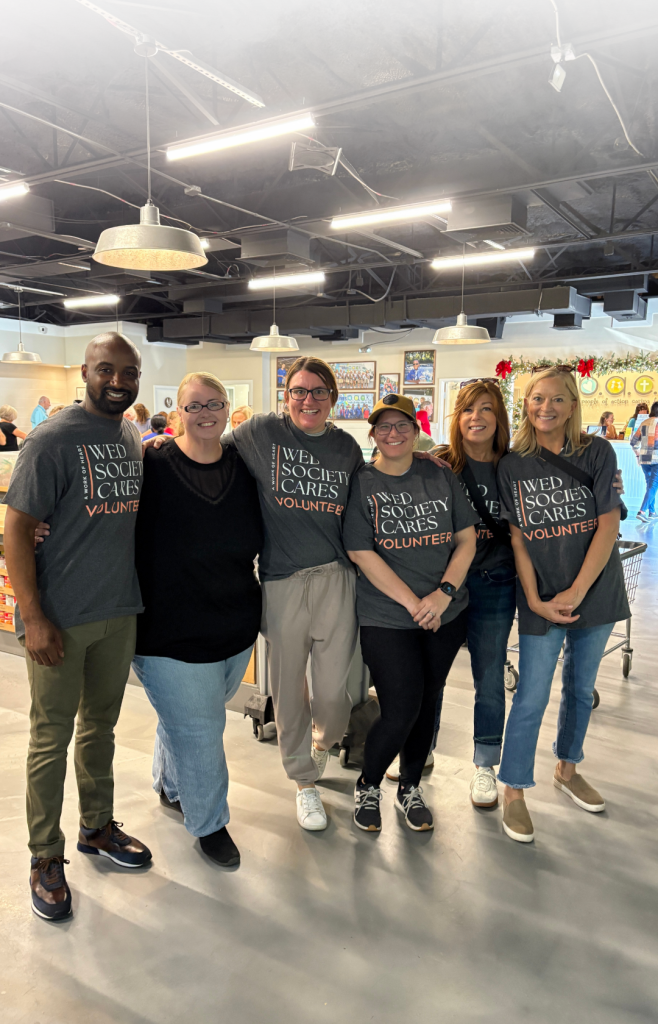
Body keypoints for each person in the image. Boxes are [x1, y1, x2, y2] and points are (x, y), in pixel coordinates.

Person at [152, 357, 365, 831]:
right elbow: (207, 446)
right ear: (286, 397)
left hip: (336, 578)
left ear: (332, 398)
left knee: (336, 695)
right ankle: (303, 782)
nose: (308, 400)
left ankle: (323, 741)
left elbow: (366, 504)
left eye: (319, 391)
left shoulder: (346, 448)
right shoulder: (261, 432)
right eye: (299, 391)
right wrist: (164, 445)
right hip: (282, 581)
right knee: (288, 690)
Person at [4, 331, 152, 922]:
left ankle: (96, 826)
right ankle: (45, 855)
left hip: (118, 610)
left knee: (100, 729)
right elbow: (17, 530)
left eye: (128, 372)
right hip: (60, 618)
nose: (117, 381)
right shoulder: (51, 440)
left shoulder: (130, 434)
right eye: (105, 370)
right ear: (85, 373)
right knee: (50, 739)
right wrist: (33, 616)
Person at [132, 373, 263, 868]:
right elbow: (98, 507)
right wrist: (41, 525)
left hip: (235, 624)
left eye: (214, 404)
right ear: (178, 412)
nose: (205, 413)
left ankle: (170, 783)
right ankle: (210, 824)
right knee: (202, 729)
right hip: (167, 629)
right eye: (194, 405)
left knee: (191, 717)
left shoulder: (245, 465)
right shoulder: (149, 464)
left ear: (228, 409)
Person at [496, 368, 628, 843]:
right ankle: (514, 789)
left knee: (580, 687)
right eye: (537, 398)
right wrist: (534, 598)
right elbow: (518, 539)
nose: (545, 407)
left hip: (596, 590)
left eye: (556, 399)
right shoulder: (512, 464)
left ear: (573, 404)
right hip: (541, 595)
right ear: (526, 405)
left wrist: (576, 592)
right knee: (531, 694)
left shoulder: (597, 452)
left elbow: (608, 525)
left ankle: (568, 769)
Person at [343, 394, 478, 832]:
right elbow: (361, 552)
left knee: (428, 701)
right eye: (384, 426)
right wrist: (415, 604)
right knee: (401, 707)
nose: (394, 433)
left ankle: (410, 786)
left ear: (416, 431)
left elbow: (466, 539)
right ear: (373, 434)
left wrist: (442, 595)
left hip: (445, 613)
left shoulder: (439, 474)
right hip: (386, 615)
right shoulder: (362, 482)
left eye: (403, 425)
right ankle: (368, 784)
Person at [416, 380, 517, 809]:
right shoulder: (439, 464)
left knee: (489, 676)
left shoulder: (514, 466)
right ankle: (422, 748)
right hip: (446, 586)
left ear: (499, 417)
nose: (476, 417)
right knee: (432, 674)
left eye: (486, 408)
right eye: (468, 410)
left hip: (496, 583)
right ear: (457, 418)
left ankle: (485, 763)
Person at [631, 400, 658, 522]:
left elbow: (633, 442)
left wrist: (638, 455)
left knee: (650, 485)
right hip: (657, 458)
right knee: (653, 485)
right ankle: (642, 511)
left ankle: (652, 512)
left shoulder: (644, 422)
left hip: (644, 458)